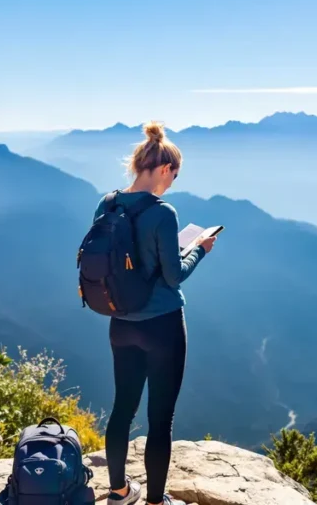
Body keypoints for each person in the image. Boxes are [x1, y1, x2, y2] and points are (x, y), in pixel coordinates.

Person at [96, 121, 215, 505]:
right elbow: (174, 275)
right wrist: (199, 249)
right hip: (162, 325)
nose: (173, 182)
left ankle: (118, 492)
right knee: (160, 418)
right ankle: (155, 501)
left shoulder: (108, 203)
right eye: (175, 175)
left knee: (122, 409)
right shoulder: (164, 212)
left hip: (120, 322)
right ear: (165, 169)